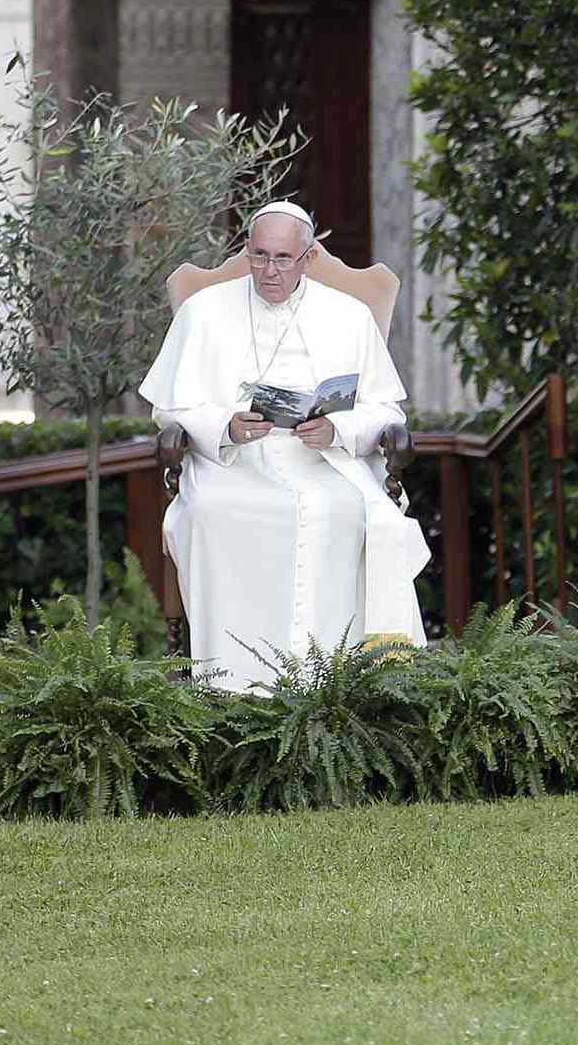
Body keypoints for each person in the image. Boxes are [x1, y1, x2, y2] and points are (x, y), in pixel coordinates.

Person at [140, 202, 429, 692]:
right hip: (232, 463)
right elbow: (171, 411)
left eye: (282, 258)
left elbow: (386, 410)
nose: (269, 271)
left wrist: (338, 430)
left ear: (308, 258)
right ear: (247, 251)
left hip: (324, 462)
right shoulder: (202, 312)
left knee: (349, 512)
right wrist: (225, 427)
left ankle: (336, 681)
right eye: (259, 256)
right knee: (209, 511)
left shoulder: (349, 315)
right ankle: (228, 683)